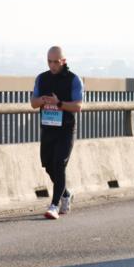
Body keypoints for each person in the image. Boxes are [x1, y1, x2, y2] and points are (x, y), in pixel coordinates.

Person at [31, 47, 83, 219]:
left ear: (63, 61)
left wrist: (59, 103)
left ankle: (54, 205)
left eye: (56, 62)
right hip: (48, 129)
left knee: (59, 163)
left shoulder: (73, 80)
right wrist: (43, 100)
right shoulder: (42, 78)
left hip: (66, 129)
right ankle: (66, 194)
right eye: (49, 61)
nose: (52, 65)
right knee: (49, 166)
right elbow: (33, 103)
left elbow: (77, 106)